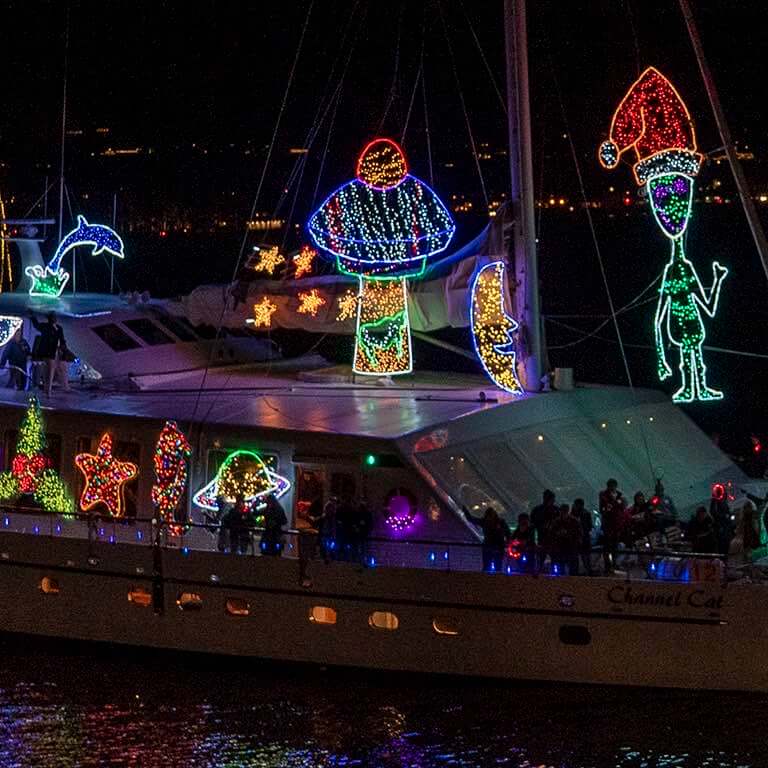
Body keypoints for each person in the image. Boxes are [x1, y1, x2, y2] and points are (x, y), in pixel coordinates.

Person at [29, 311, 69, 395]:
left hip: (53, 353)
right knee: (49, 371)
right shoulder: (46, 327)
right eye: (53, 318)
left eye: (55, 318)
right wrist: (32, 316)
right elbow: (37, 325)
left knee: (55, 370)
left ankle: (56, 388)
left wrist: (63, 349)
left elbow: (62, 340)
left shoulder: (58, 328)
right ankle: (48, 391)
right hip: (47, 353)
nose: (54, 319)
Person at [463, 505, 511, 573]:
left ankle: (490, 580)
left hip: (495, 547)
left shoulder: (496, 522)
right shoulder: (490, 522)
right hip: (492, 547)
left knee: (494, 567)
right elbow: (471, 519)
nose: (490, 519)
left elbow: (508, 533)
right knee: (491, 567)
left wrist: (507, 542)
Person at [599, 478, 627, 574]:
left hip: (616, 525)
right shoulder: (603, 495)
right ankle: (608, 566)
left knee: (615, 545)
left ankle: (614, 564)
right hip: (608, 525)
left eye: (613, 486)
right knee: (607, 546)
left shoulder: (619, 495)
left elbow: (623, 508)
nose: (611, 487)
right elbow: (603, 509)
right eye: (610, 486)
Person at [548, 503, 582, 575]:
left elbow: (578, 533)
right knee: (561, 567)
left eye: (565, 511)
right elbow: (551, 534)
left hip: (570, 546)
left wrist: (569, 535)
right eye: (563, 511)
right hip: (561, 547)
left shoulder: (573, 521)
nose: (564, 513)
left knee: (572, 568)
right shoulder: (557, 522)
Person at [728, 501, 761, 570]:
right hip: (744, 540)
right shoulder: (746, 519)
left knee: (746, 558)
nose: (747, 510)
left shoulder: (751, 519)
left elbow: (753, 530)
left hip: (746, 541)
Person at [530, 490, 557, 566]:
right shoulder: (555, 510)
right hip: (545, 538)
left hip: (547, 538)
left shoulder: (537, 510)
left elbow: (532, 525)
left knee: (543, 558)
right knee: (547, 558)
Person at [572, 498, 594, 575]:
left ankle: (577, 571)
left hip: (579, 538)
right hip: (584, 538)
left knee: (580, 556)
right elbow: (590, 526)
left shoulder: (573, 514)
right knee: (585, 556)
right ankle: (588, 570)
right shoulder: (586, 513)